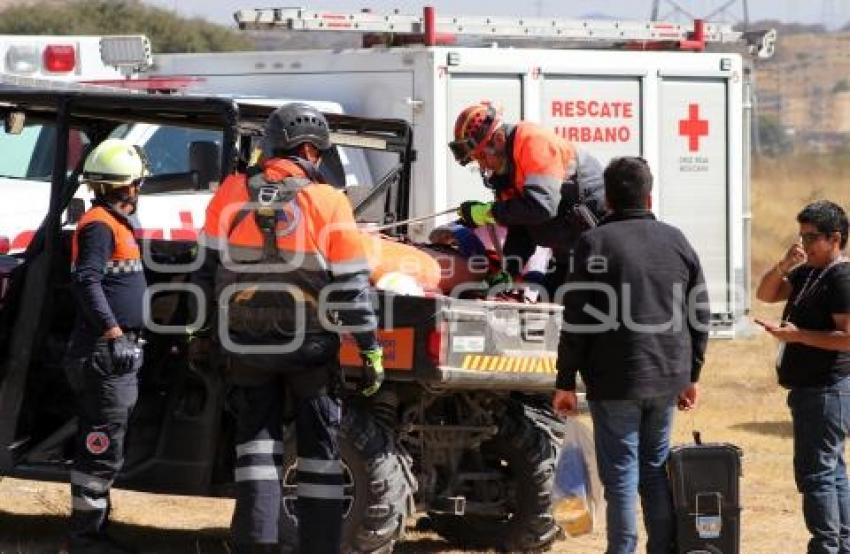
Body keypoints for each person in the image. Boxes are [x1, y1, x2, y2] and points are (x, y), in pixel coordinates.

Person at [192, 103, 383, 554]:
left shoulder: (231, 191)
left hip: (243, 345)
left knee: (257, 451)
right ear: (316, 154)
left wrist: (200, 333)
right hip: (310, 347)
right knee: (319, 456)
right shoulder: (330, 200)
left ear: (270, 145)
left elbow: (203, 271)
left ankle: (256, 544)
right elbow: (352, 286)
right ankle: (319, 546)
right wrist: (370, 348)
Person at [552, 157, 710, 554]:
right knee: (654, 470)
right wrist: (692, 374)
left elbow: (576, 320)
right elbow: (699, 312)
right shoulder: (677, 240)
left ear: (607, 198)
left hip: (615, 379)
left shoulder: (594, 244)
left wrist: (564, 381)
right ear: (649, 194)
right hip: (667, 376)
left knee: (621, 474)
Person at [64, 139, 149, 554]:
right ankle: (85, 539)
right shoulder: (100, 225)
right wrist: (115, 334)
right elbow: (87, 280)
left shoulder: (115, 221)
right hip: (104, 352)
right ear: (128, 184)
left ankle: (94, 531)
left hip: (114, 349)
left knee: (107, 444)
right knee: (100, 446)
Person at [755, 200, 850, 554]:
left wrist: (798, 337)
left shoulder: (841, 277)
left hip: (828, 389)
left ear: (835, 238)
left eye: (811, 237)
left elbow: (848, 338)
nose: (804, 244)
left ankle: (826, 545)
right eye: (801, 235)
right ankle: (840, 543)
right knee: (830, 469)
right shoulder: (809, 270)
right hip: (810, 390)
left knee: (817, 474)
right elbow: (765, 293)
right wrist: (784, 264)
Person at [449, 101, 606, 294]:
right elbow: (520, 224)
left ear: (498, 140)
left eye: (481, 157)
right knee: (549, 300)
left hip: (599, 250)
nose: (483, 167)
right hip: (569, 251)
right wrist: (509, 271)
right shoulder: (506, 171)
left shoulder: (533, 142)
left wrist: (487, 213)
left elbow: (541, 207)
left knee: (574, 308)